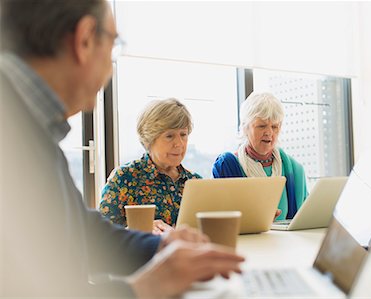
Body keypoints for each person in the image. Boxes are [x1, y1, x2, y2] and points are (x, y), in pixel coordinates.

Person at [0, 1, 244, 298]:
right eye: (114, 45)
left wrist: (161, 247)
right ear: (86, 39)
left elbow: (82, 231)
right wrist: (143, 287)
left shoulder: (31, 129)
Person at [99, 99, 201, 234]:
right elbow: (99, 236)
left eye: (183, 134)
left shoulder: (195, 182)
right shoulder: (124, 178)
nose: (179, 143)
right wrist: (140, 228)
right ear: (149, 139)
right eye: (169, 136)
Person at [212, 92, 308, 220]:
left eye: (274, 126)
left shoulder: (295, 170)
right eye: (261, 126)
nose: (269, 132)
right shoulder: (226, 166)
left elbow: (304, 221)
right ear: (245, 127)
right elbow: (219, 221)